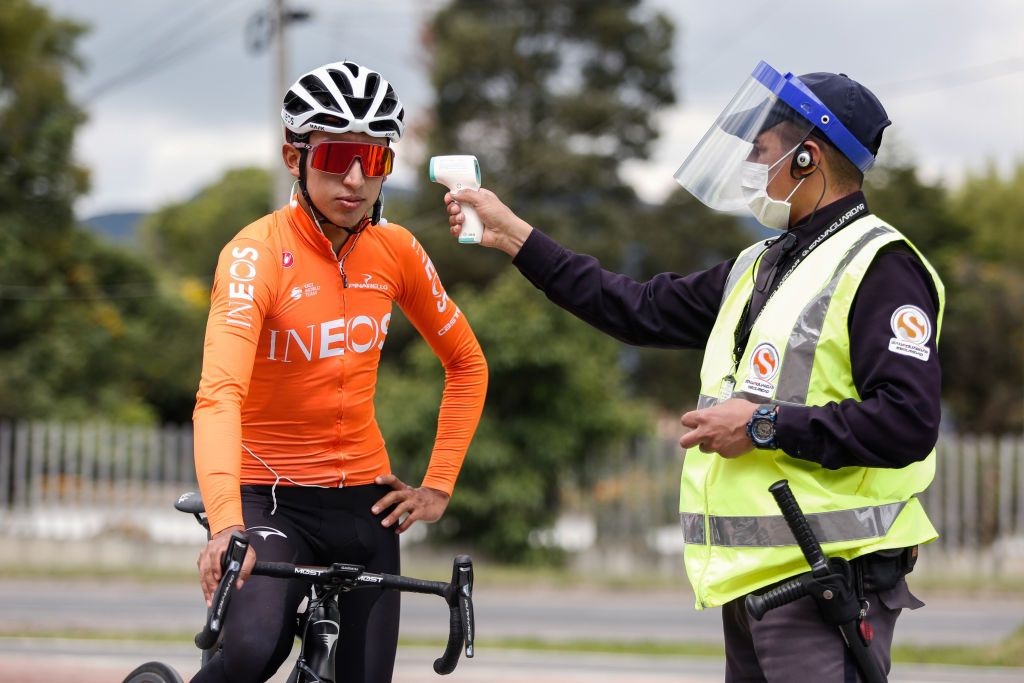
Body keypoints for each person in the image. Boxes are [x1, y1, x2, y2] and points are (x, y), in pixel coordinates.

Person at [444, 61, 942, 681]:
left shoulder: (880, 265)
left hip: (829, 580)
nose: (750, 167)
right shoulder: (761, 264)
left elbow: (908, 422)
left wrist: (763, 425)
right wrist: (516, 237)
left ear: (809, 158)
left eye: (761, 151)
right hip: (758, 583)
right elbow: (635, 309)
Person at [191, 60, 488, 683]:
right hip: (266, 497)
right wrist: (225, 525)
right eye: (334, 156)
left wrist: (437, 484)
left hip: (363, 499)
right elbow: (219, 395)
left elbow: (467, 363)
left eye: (374, 160)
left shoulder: (398, 250)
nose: (354, 179)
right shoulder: (255, 255)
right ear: (293, 157)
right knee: (251, 651)